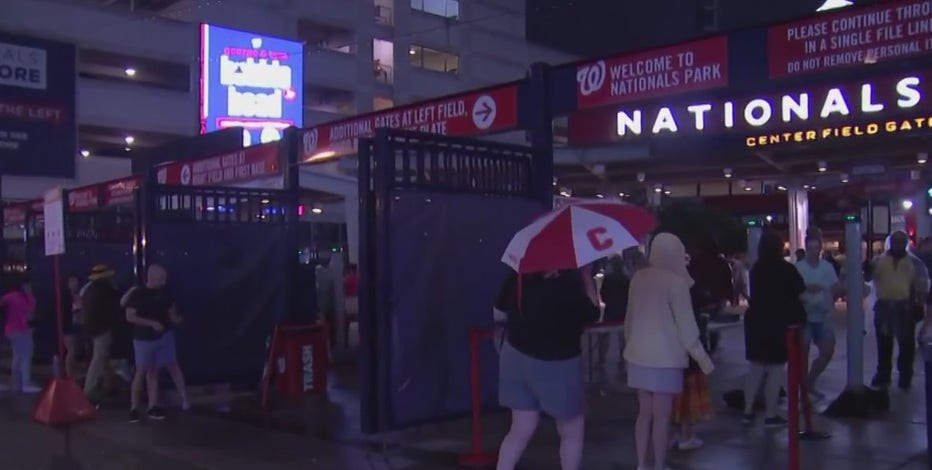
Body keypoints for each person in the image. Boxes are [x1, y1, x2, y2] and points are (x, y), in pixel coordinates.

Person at [493, 265, 600, 470]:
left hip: (514, 356)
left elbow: (499, 314)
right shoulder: (568, 285)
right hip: (558, 364)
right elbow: (593, 313)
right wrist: (587, 278)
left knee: (520, 428)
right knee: (571, 431)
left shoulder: (516, 277)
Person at [624, 233, 714, 470]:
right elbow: (687, 328)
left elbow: (629, 320)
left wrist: (628, 345)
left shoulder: (638, 279)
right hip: (666, 360)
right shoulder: (677, 283)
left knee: (643, 415)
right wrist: (704, 361)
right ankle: (660, 465)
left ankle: (642, 464)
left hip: (637, 356)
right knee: (661, 418)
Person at [743, 231, 806, 427]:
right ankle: (771, 414)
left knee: (756, 369)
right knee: (775, 369)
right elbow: (800, 293)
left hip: (755, 322)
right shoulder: (787, 269)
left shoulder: (756, 269)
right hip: (778, 322)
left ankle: (747, 411)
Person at [125, 264, 189, 422]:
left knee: (155, 371)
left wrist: (176, 319)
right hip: (143, 339)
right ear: (151, 277)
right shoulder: (138, 293)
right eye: (161, 278)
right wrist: (151, 323)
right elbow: (130, 316)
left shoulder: (166, 293)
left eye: (165, 278)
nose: (164, 281)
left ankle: (153, 406)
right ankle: (134, 408)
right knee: (141, 372)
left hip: (164, 337)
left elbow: (172, 316)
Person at [868, 231, 930, 389]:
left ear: (906, 243)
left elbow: (922, 284)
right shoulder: (879, 260)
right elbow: (869, 277)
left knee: (906, 345)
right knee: (883, 344)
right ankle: (883, 373)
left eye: (901, 241)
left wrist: (919, 303)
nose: (898, 244)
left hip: (904, 306)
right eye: (895, 241)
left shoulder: (914, 262)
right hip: (884, 306)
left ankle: (905, 376)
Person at [795, 235, 840, 400]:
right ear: (806, 248)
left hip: (823, 315)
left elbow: (835, 288)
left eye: (817, 248)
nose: (814, 251)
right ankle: (804, 388)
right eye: (811, 248)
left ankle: (810, 382)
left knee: (827, 350)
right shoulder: (798, 267)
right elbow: (794, 289)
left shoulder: (827, 267)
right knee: (803, 351)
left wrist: (829, 299)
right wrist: (808, 288)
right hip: (805, 316)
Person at [82, 265, 122, 402]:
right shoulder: (106, 289)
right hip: (102, 328)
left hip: (90, 328)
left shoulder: (88, 289)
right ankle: (88, 390)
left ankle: (109, 382)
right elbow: (116, 306)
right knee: (98, 358)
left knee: (102, 356)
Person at [0, 275, 39, 393]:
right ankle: (25, 383)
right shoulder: (23, 297)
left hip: (12, 329)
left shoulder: (12, 296)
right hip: (19, 329)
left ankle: (18, 383)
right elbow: (30, 314)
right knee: (25, 355)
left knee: (18, 356)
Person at [596, 254, 630, 366]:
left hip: (610, 311)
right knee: (623, 338)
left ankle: (601, 360)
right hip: (623, 312)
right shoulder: (626, 280)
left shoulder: (608, 279)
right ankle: (623, 360)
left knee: (604, 337)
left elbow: (602, 295)